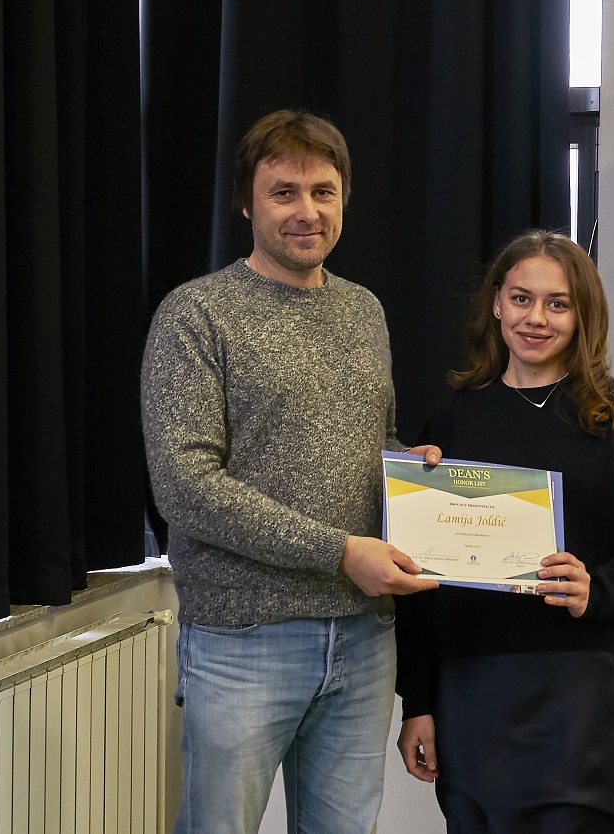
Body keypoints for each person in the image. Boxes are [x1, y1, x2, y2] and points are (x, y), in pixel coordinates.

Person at [141, 109, 438, 834]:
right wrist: (339, 552)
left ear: (343, 199)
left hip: (363, 637)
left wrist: (412, 473)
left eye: (323, 191)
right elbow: (186, 487)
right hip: (242, 638)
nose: (307, 211)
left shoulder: (363, 311)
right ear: (247, 203)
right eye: (284, 192)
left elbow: (370, 440)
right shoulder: (196, 315)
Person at [393, 230, 614, 834]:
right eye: (521, 298)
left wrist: (598, 590)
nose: (536, 318)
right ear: (496, 304)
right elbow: (417, 583)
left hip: (577, 690)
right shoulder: (452, 417)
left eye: (558, 303)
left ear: (583, 316)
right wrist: (418, 702)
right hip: (470, 692)